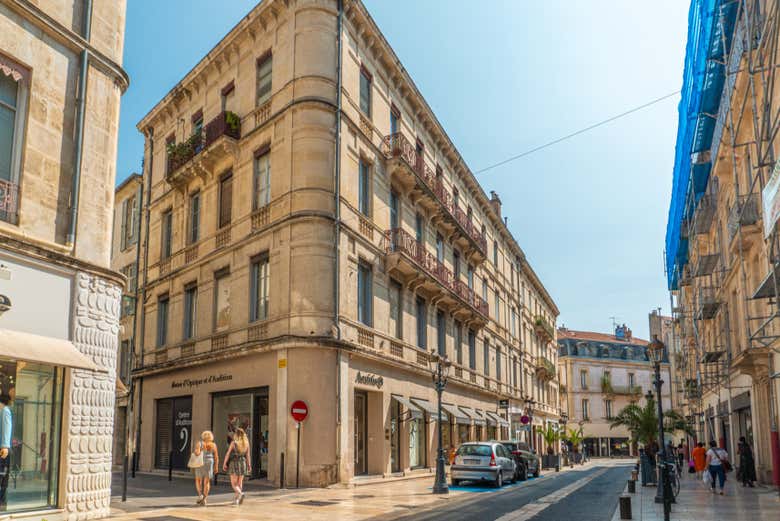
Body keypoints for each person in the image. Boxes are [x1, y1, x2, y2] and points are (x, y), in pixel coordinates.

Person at [223, 428, 251, 505]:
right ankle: (237, 500)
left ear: (236, 434)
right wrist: (249, 465)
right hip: (243, 462)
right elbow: (248, 455)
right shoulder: (246, 443)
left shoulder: (234, 443)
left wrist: (224, 463)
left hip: (234, 462)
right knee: (239, 482)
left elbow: (228, 453)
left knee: (234, 483)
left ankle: (241, 494)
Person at [193, 431, 219, 506]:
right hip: (209, 462)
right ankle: (204, 499)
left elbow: (197, 453)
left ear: (203, 436)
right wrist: (216, 466)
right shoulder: (213, 445)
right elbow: (216, 457)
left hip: (200, 462)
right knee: (207, 481)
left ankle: (200, 494)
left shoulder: (200, 443)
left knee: (198, 479)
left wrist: (197, 451)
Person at [0, 388, 14, 511]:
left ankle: (2, 501)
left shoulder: (4, 410)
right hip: (3, 450)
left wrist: (5, 446)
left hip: (3, 451)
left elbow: (6, 428)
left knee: (2, 476)